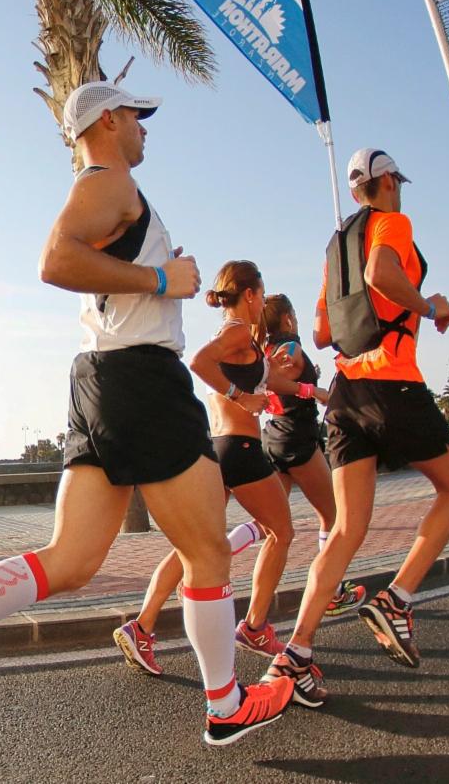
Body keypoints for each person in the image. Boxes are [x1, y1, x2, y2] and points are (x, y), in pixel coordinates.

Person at [0, 81, 292, 748]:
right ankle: (226, 701)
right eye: (138, 118)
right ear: (109, 120)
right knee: (207, 551)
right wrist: (162, 281)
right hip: (143, 380)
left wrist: (159, 278)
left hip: (98, 379)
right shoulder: (109, 183)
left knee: (69, 560)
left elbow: (90, 264)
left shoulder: (110, 192)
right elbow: (56, 259)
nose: (145, 129)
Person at [269, 148, 449, 706]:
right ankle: (397, 599)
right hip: (393, 383)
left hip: (346, 396)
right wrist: (429, 307)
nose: (400, 190)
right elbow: (383, 271)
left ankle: (298, 652)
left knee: (347, 529)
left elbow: (323, 332)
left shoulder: (334, 249)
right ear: (382, 182)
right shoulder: (393, 223)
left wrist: (368, 309)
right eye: (396, 182)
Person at [112, 262, 320, 676]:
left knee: (195, 546)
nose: (263, 302)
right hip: (242, 450)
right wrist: (242, 397)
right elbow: (199, 363)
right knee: (283, 532)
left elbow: (270, 382)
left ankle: (142, 626)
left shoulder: (240, 337)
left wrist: (317, 391)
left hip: (219, 449)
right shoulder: (237, 331)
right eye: (262, 294)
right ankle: (257, 628)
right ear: (250, 294)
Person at [259, 293, 364, 619]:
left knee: (269, 528)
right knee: (333, 516)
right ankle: (331, 593)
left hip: (274, 436)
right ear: (288, 319)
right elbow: (277, 383)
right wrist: (315, 391)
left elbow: (266, 382)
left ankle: (198, 564)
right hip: (298, 440)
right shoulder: (289, 348)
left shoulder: (265, 349)